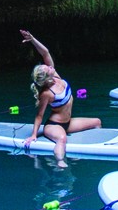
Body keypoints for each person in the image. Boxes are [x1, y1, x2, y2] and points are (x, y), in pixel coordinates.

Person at [19, 30, 102, 163]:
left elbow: (45, 53)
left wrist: (33, 39)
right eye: (47, 68)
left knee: (97, 122)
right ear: (46, 78)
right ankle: (60, 164)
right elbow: (39, 115)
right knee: (62, 139)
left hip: (68, 123)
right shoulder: (47, 93)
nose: (49, 66)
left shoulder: (55, 76)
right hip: (54, 125)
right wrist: (34, 135)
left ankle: (98, 149)